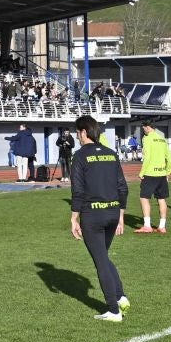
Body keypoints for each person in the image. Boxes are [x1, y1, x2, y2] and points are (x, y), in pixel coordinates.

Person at [68, 115, 130, 323]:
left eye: (78, 132)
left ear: (84, 132)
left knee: (100, 260)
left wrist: (74, 217)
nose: (77, 136)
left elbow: (78, 190)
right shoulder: (111, 154)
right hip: (113, 212)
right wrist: (121, 214)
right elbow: (123, 187)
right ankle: (120, 296)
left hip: (93, 215)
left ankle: (113, 310)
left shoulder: (79, 156)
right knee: (103, 256)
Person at [133, 122, 170, 234]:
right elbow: (169, 157)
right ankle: (162, 226)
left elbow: (147, 157)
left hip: (150, 173)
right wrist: (168, 172)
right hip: (162, 173)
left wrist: (141, 172)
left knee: (144, 198)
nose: (143, 130)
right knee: (161, 199)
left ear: (147, 127)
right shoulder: (162, 139)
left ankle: (147, 226)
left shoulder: (147, 138)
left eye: (143, 128)